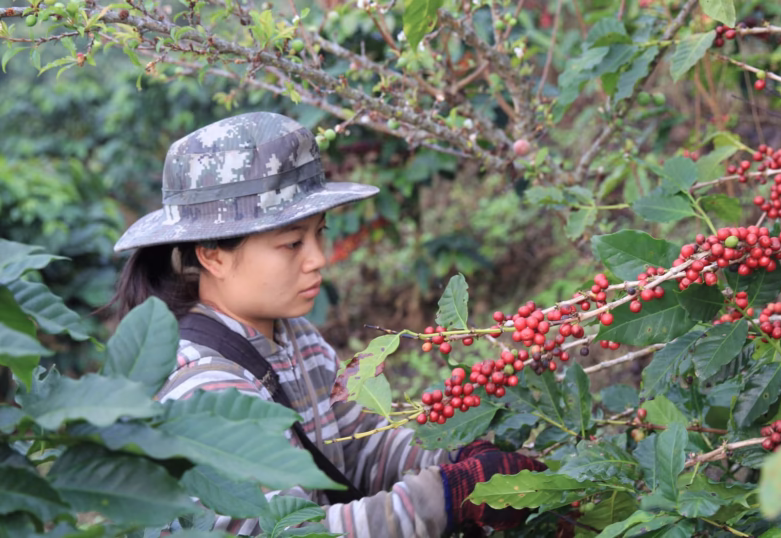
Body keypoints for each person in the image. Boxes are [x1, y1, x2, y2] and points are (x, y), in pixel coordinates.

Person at [110, 111, 545, 537]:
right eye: (292, 243)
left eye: (321, 232)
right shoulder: (200, 391)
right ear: (212, 255)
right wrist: (447, 496)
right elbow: (294, 532)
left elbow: (356, 447)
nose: (318, 258)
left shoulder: (296, 338)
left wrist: (454, 454)